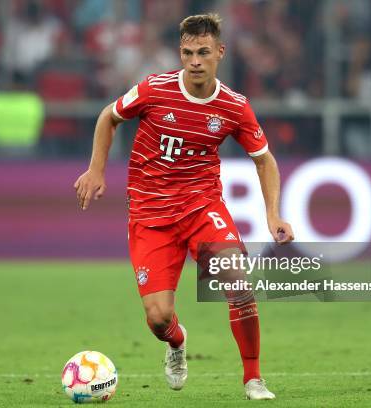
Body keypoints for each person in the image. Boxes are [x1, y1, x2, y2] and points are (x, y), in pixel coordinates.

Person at [74, 14, 294, 400]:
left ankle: (253, 379)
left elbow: (265, 159)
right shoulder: (153, 90)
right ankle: (176, 342)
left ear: (219, 53)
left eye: (203, 52)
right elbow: (108, 117)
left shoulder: (234, 107)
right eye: (188, 52)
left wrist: (273, 212)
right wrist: (96, 170)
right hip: (149, 215)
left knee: (238, 283)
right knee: (158, 318)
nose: (195, 60)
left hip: (201, 207)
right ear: (181, 52)